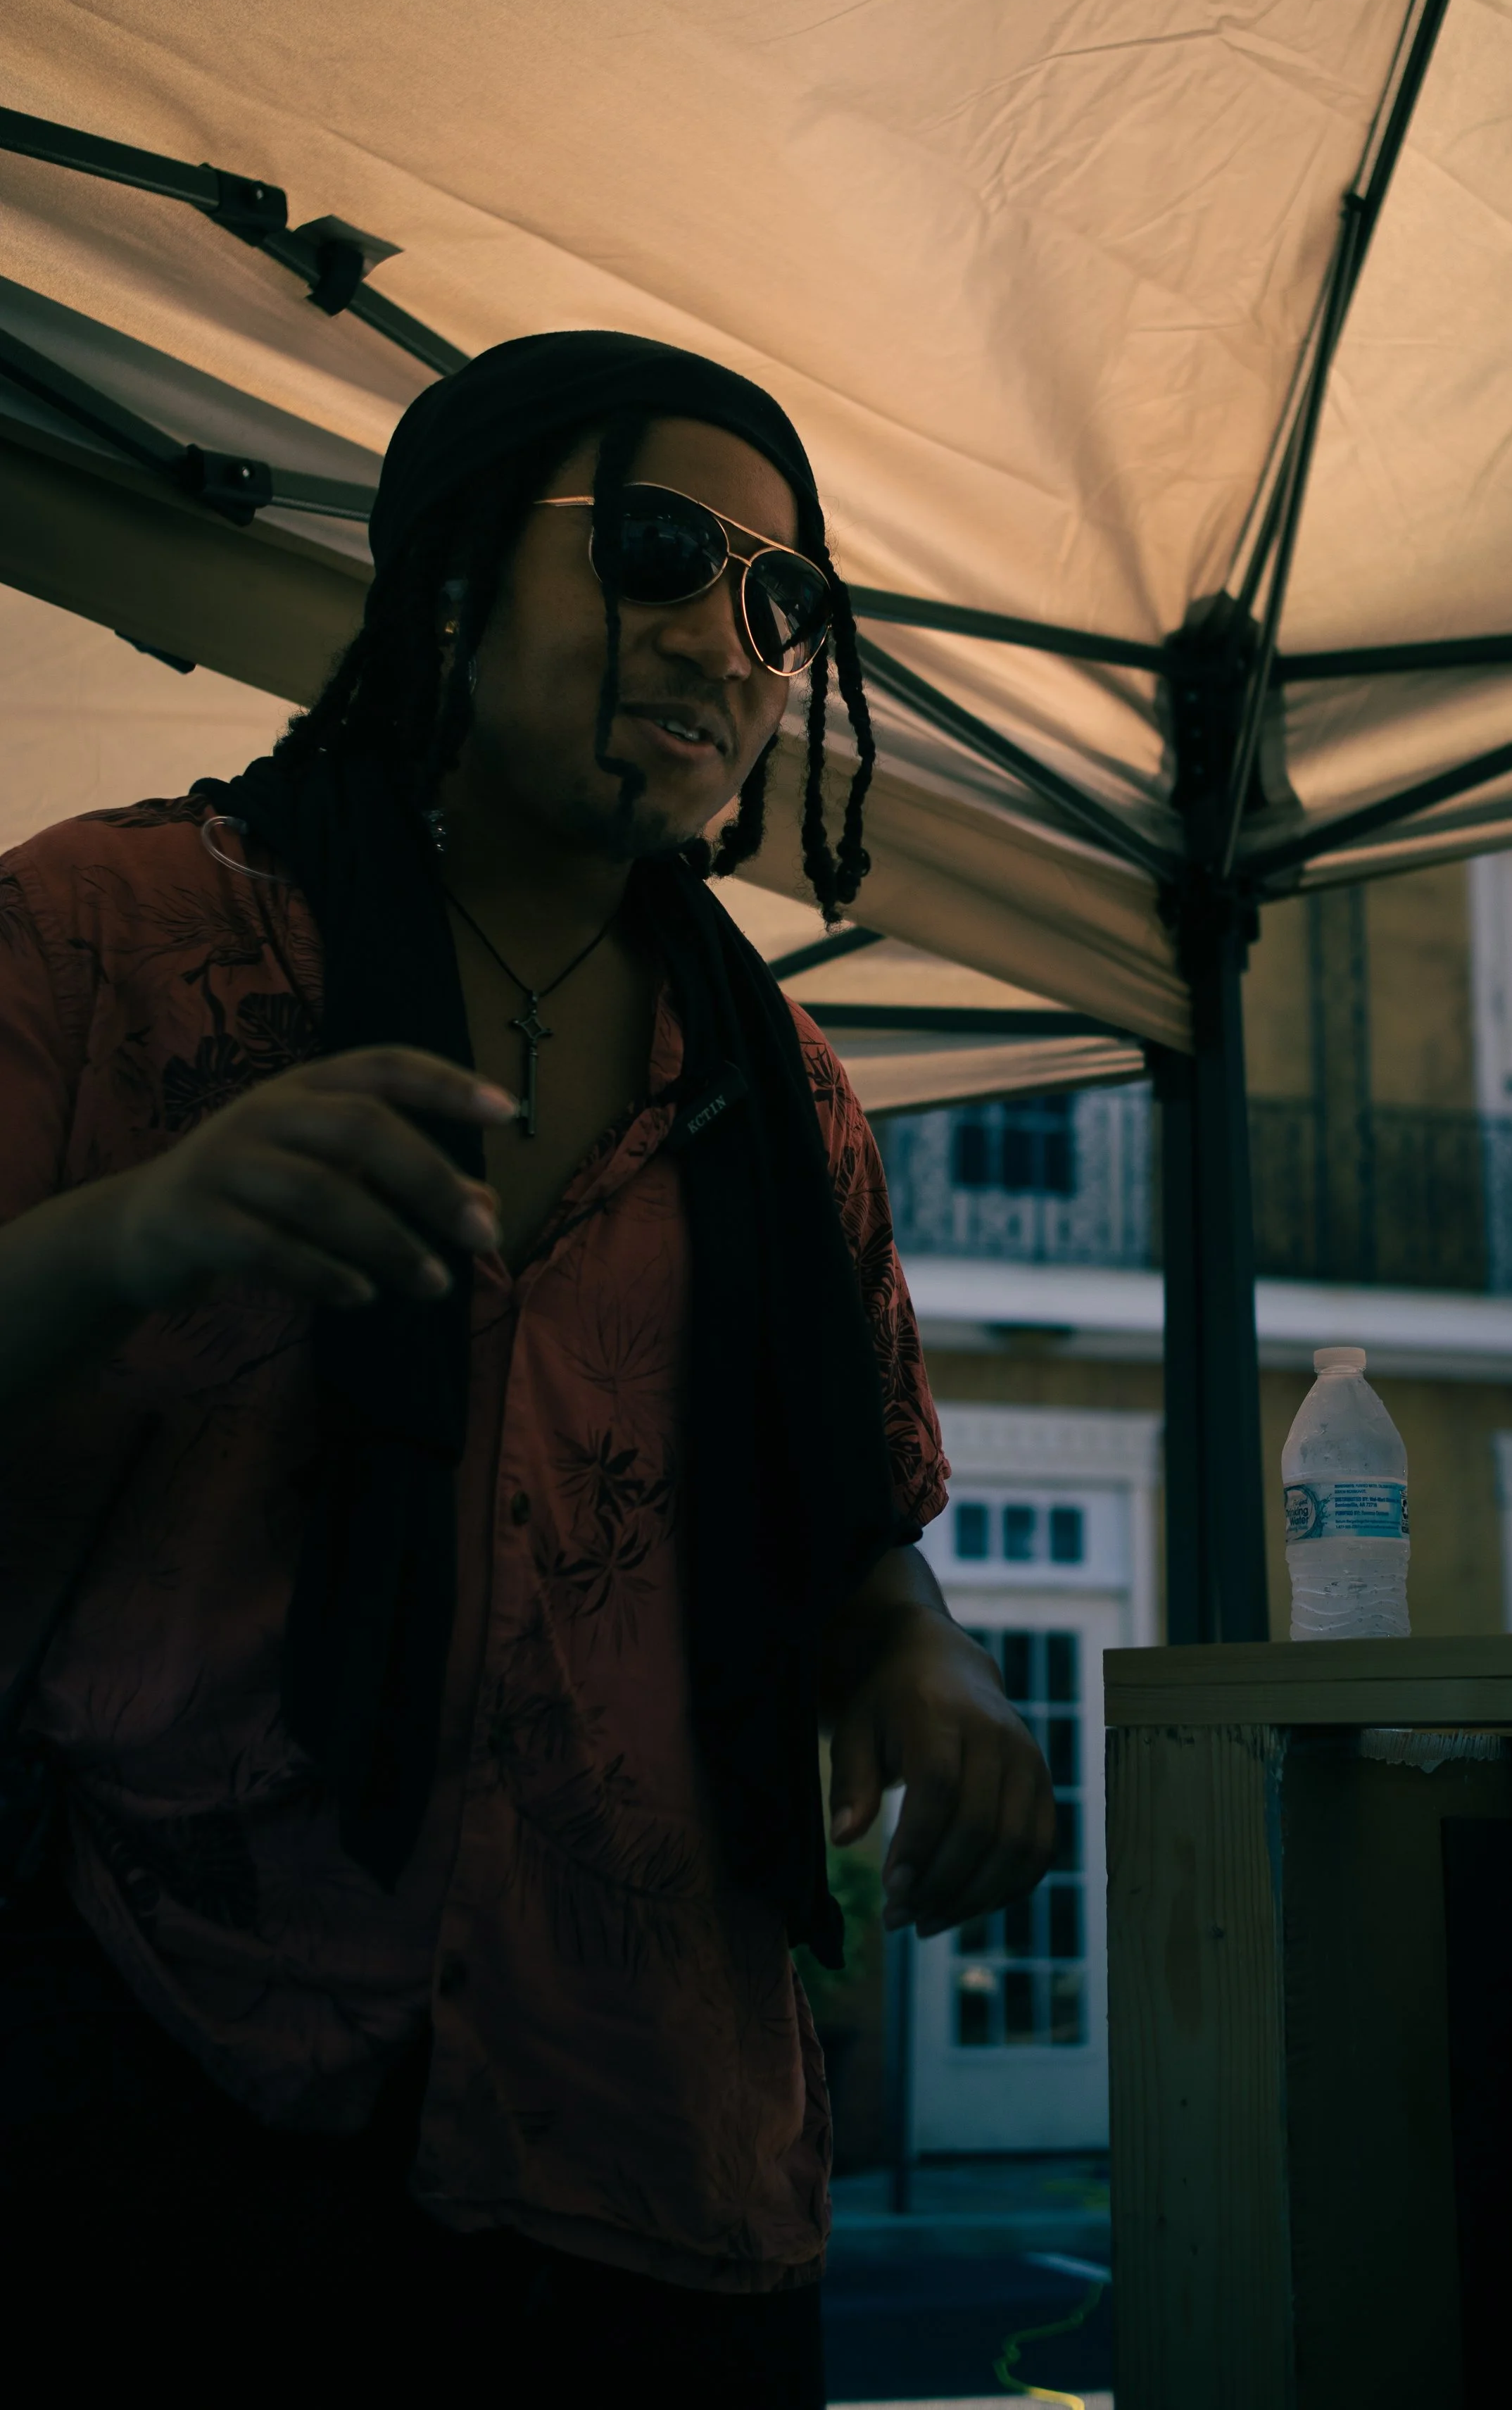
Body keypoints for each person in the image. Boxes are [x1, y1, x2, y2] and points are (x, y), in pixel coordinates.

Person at [0, 334, 1054, 2392]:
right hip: (160, 2081)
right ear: (459, 575)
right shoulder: (107, 933)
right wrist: (134, 1231)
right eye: (658, 550)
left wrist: (919, 1653)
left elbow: (856, 1534)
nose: (726, 639)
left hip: (648, 2144)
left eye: (781, 601)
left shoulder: (792, 1105)